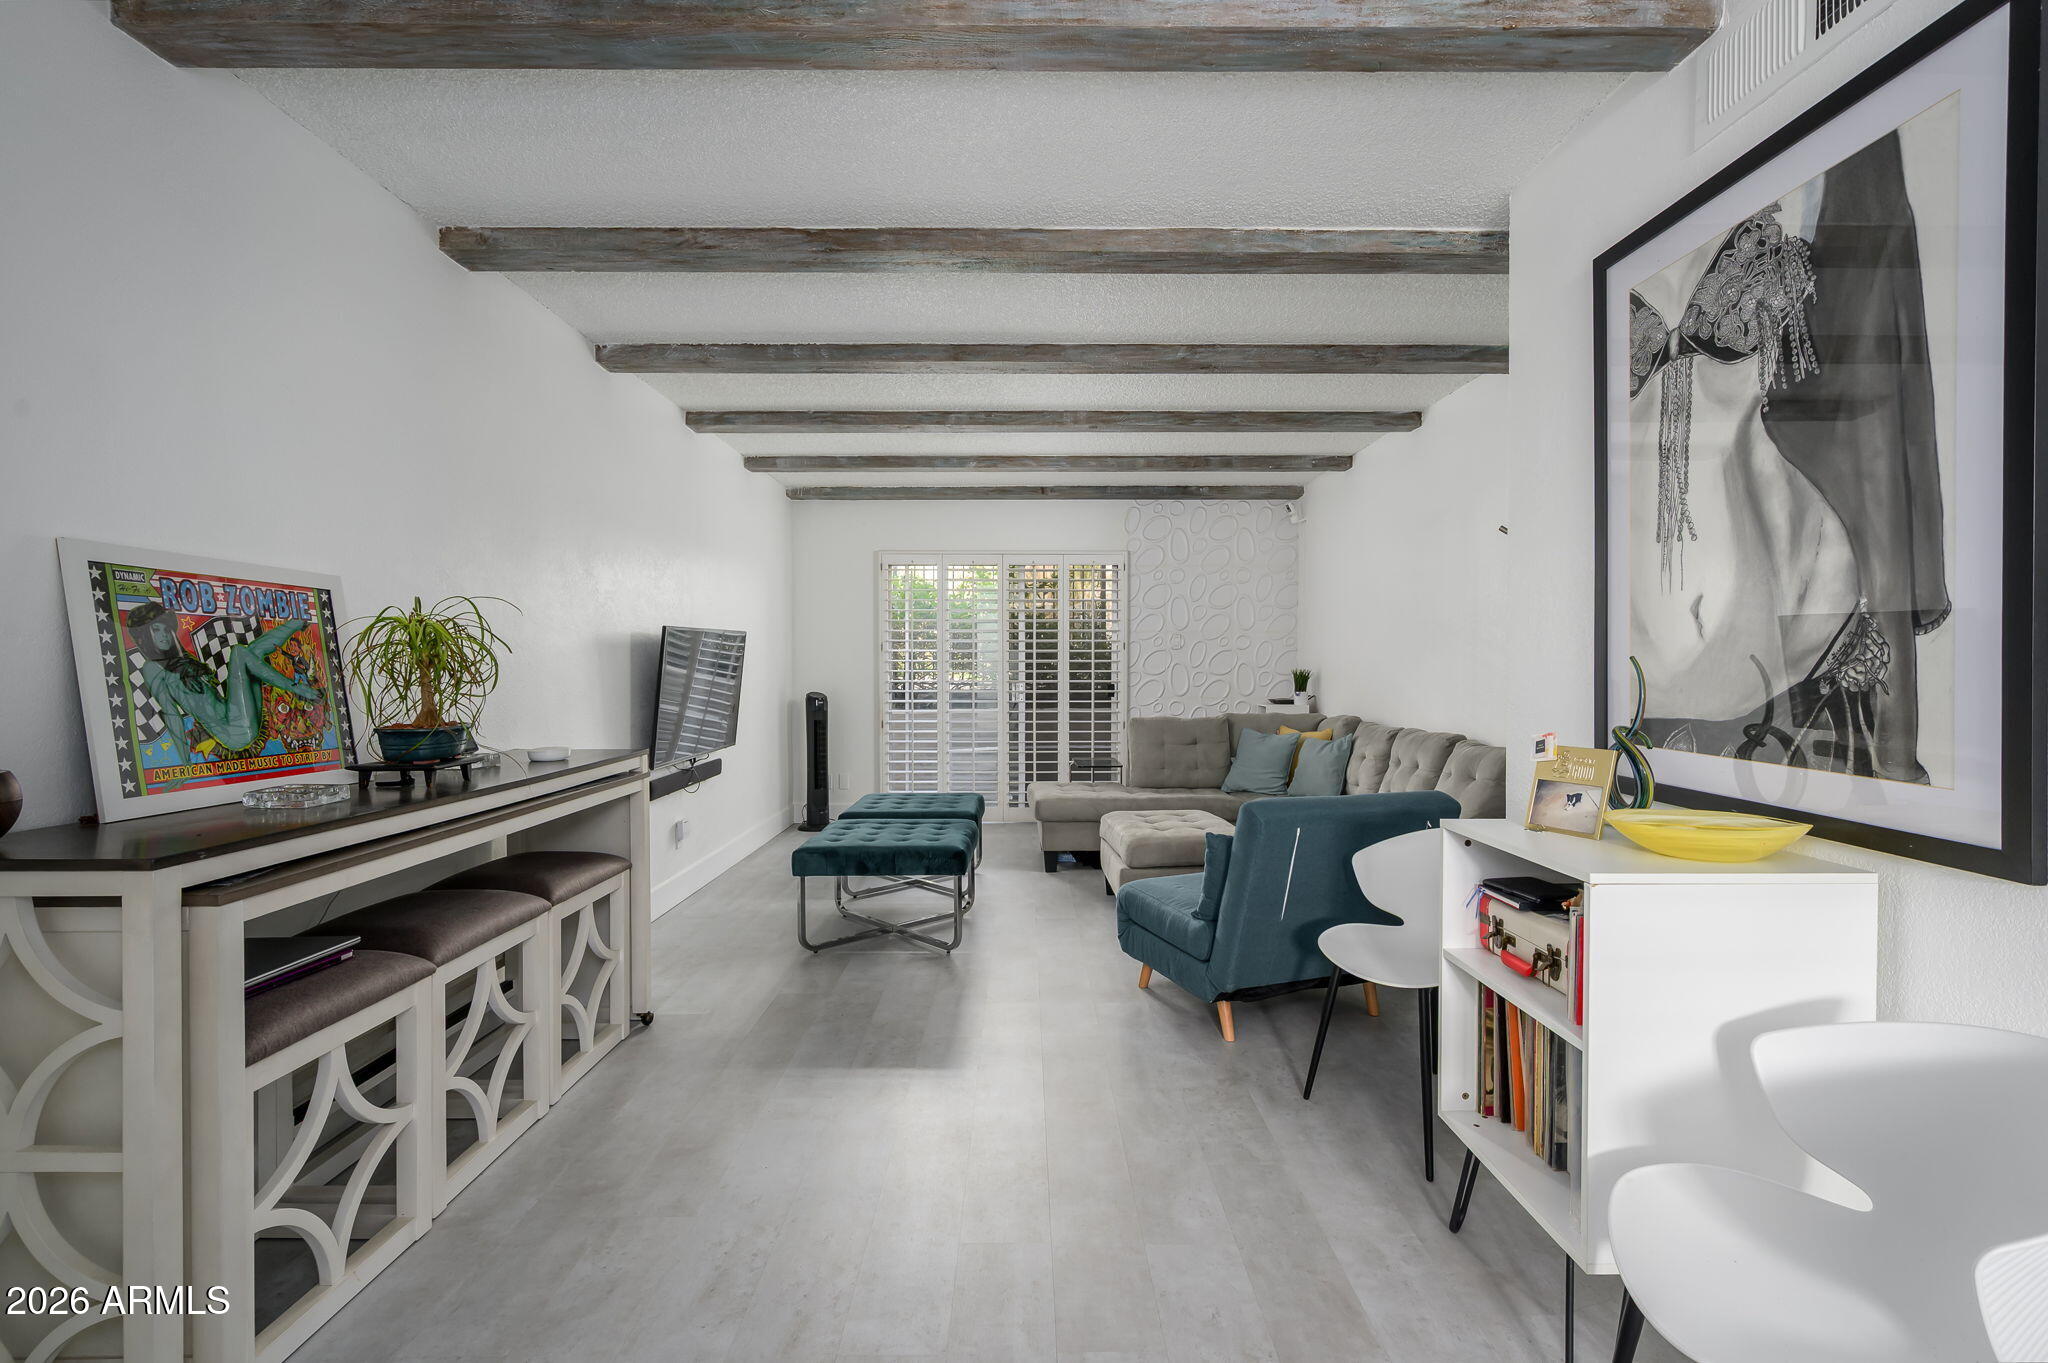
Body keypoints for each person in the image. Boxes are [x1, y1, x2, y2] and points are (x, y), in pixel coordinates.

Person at [125, 602, 323, 778]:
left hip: (237, 714)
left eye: (165, 629)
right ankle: (297, 689)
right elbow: (171, 714)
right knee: (239, 653)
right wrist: (185, 763)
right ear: (144, 636)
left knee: (252, 652)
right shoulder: (152, 668)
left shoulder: (181, 660)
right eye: (155, 630)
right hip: (234, 732)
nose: (163, 635)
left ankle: (296, 623)